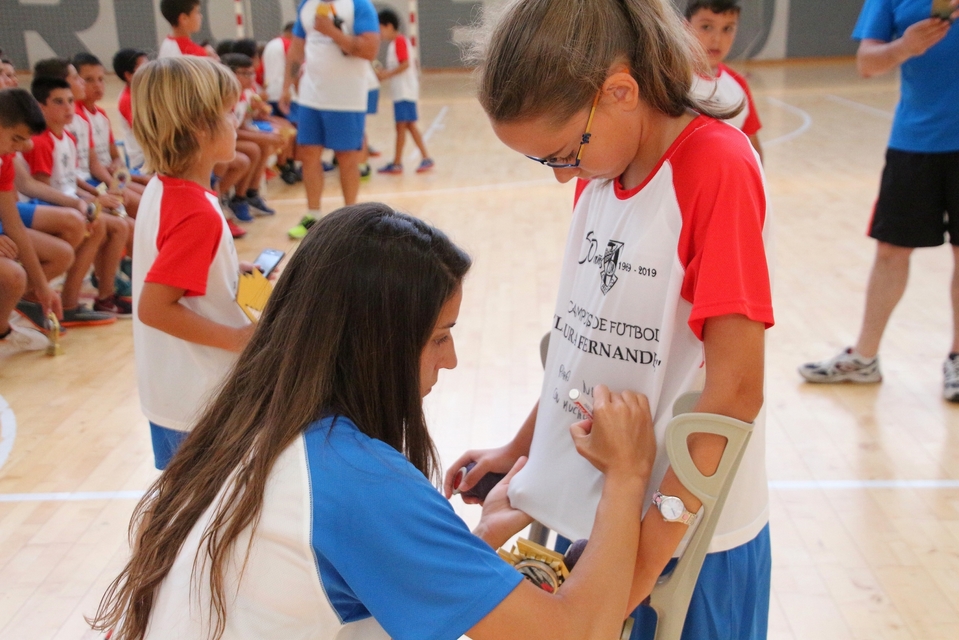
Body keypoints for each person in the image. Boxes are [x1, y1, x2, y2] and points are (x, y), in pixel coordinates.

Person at [90, 201, 658, 640]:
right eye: (438, 338)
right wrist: (628, 474)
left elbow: (359, 581)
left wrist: (478, 540)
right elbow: (577, 631)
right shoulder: (353, 478)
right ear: (376, 346)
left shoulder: (252, 425)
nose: (451, 359)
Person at [447, 1, 774, 638]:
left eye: (563, 153)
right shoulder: (603, 170)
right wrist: (523, 450)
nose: (560, 176)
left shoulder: (715, 167)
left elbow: (734, 393)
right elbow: (585, 347)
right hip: (602, 523)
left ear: (619, 92)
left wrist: (641, 570)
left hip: (686, 545)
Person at [799, 1, 959, 400]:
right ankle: (865, 357)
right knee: (891, 250)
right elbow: (868, 63)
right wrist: (905, 45)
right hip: (914, 142)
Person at [126, 57, 254, 470]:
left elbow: (175, 270)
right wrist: (238, 340)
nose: (236, 122)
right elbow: (155, 307)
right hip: (201, 399)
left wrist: (231, 271)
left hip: (172, 392)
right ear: (200, 127)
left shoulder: (161, 189)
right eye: (228, 113)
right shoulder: (197, 214)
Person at [21, 76, 128, 323]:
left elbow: (70, 184)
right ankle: (90, 296)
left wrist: (97, 196)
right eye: (59, 102)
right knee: (109, 224)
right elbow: (42, 192)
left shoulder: (67, 137)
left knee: (113, 220)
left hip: (69, 203)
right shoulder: (40, 141)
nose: (69, 107)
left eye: (70, 101)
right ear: (41, 107)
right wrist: (89, 204)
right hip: (47, 208)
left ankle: (94, 295)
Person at [281, 0, 380, 240]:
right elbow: (296, 49)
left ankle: (350, 219)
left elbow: (370, 50)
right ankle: (312, 214)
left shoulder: (359, 5)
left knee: (347, 158)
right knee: (308, 154)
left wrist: (331, 31)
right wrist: (286, 86)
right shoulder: (306, 5)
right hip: (311, 95)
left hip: (346, 98)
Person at [0, 88, 59, 355]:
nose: (20, 147)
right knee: (12, 274)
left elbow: (13, 225)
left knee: (17, 276)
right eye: (15, 138)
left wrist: (43, 288)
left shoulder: (5, 160)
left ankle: (2, 333)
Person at [685, 0, 763, 161]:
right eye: (706, 27)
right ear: (685, 27)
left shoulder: (738, 85)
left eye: (727, 28)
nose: (717, 39)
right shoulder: (670, 81)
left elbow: (753, 148)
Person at [375, 8, 434, 175]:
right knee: (407, 126)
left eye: (380, 28)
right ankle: (423, 158)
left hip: (405, 92)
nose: (379, 33)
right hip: (401, 92)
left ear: (388, 26)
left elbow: (405, 64)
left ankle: (398, 163)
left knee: (402, 127)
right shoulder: (395, 44)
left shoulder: (399, 41)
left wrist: (386, 74)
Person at [113, 48, 148, 172]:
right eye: (144, 68)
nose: (150, 71)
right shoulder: (127, 100)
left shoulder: (144, 93)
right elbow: (147, 133)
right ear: (128, 75)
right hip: (143, 163)